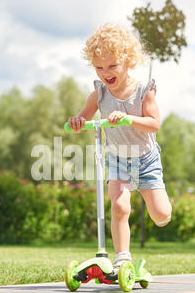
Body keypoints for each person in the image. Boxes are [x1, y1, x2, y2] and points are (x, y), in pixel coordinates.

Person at [68, 23, 172, 271]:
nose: (106, 73)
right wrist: (77, 121)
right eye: (99, 67)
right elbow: (83, 117)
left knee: (160, 215)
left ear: (128, 61)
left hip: (146, 160)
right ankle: (122, 258)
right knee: (119, 206)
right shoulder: (99, 94)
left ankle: (162, 209)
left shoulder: (143, 91)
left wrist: (128, 119)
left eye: (112, 66)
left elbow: (154, 124)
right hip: (116, 160)